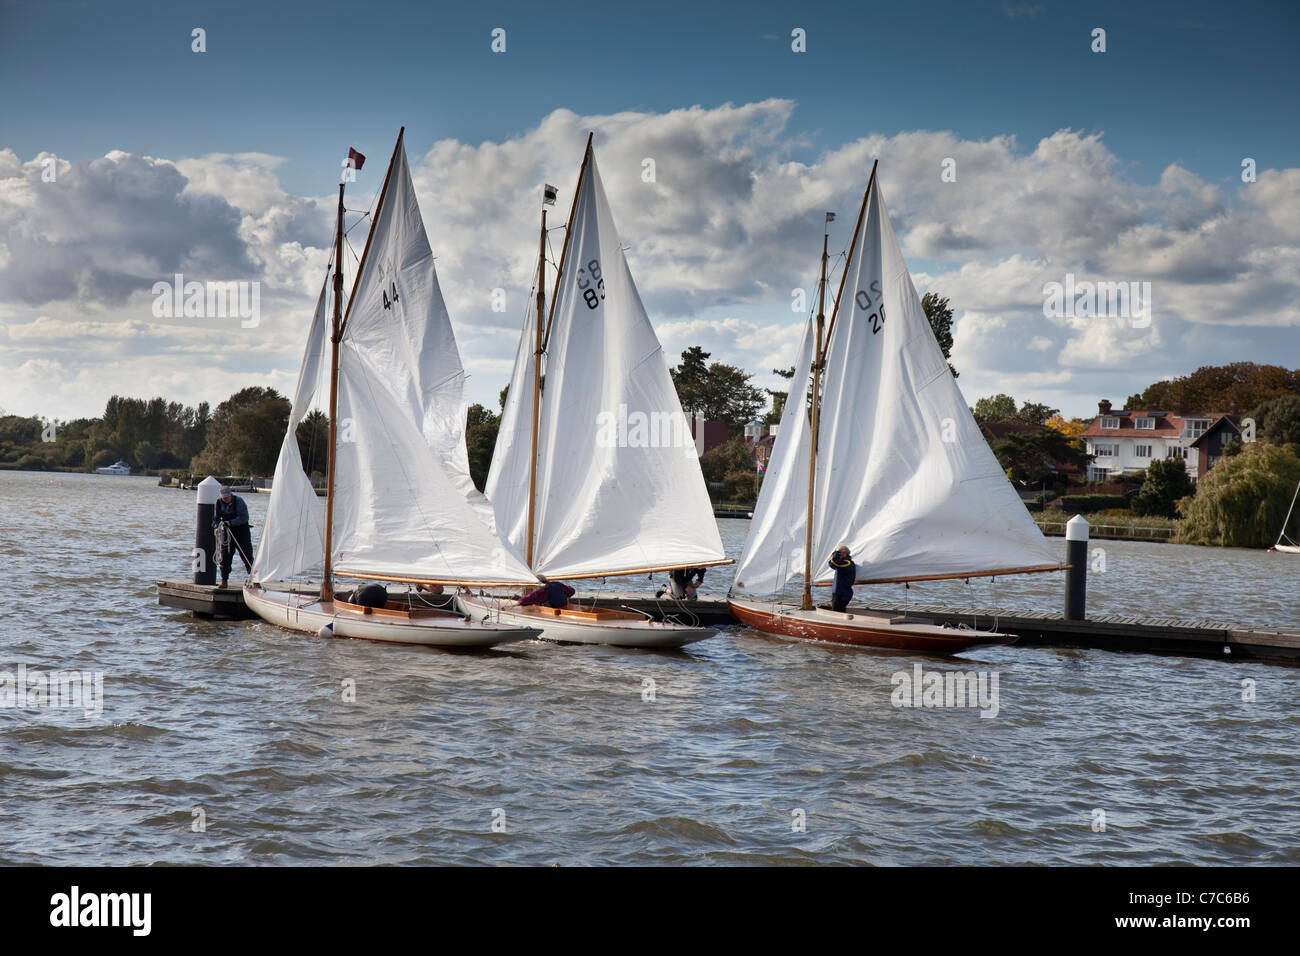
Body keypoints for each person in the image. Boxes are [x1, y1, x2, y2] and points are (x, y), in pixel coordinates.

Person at [212, 484, 253, 588]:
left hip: (241, 532)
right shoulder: (218, 503)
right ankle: (224, 581)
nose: (226, 499)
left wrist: (230, 522)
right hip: (227, 533)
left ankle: (255, 580)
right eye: (224, 497)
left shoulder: (239, 501)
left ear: (230, 494)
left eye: (227, 497)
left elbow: (244, 517)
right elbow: (216, 519)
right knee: (225, 557)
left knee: (247, 556)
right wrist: (217, 525)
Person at [828, 545, 856, 613]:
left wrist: (836, 552)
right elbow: (832, 562)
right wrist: (836, 552)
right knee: (839, 612)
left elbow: (833, 563)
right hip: (841, 593)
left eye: (839, 553)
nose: (838, 555)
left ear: (844, 553)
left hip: (842, 594)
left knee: (836, 613)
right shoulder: (845, 562)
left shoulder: (847, 563)